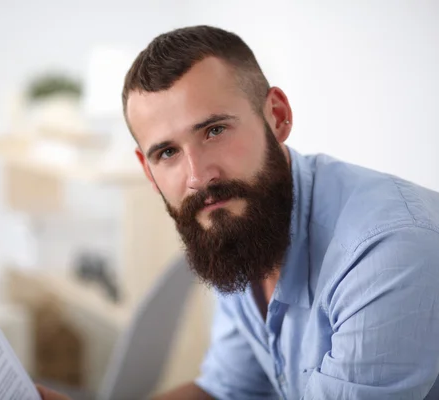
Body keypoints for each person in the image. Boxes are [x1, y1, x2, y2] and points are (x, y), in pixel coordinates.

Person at [37, 25, 439, 399]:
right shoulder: (243, 226)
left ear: (277, 116)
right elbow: (228, 391)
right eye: (168, 152)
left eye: (214, 131)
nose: (199, 177)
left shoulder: (388, 253)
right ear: (148, 170)